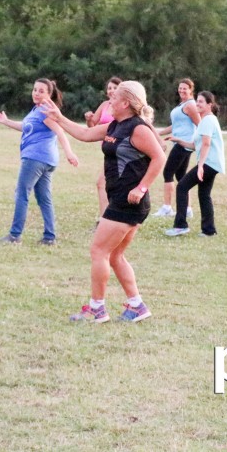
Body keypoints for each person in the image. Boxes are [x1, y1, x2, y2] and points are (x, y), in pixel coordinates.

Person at [41, 81, 166, 323]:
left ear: (126, 103)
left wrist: (141, 188)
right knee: (115, 255)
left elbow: (159, 157)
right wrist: (59, 117)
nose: (110, 100)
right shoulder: (115, 125)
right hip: (121, 199)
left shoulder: (137, 128)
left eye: (114, 97)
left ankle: (97, 309)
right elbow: (85, 134)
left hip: (128, 202)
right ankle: (137, 306)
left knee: (98, 251)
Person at [0, 78, 79, 245]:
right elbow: (25, 126)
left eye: (41, 91)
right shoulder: (37, 109)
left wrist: (69, 153)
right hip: (46, 160)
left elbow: (60, 132)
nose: (36, 93)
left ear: (49, 94)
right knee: (44, 198)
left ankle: (14, 235)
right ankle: (49, 237)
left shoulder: (45, 111)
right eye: (35, 90)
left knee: (21, 194)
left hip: (35, 158)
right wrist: (5, 121)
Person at [163, 91, 225, 237]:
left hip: (208, 163)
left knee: (182, 187)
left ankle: (180, 226)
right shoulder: (207, 120)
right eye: (197, 101)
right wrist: (179, 140)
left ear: (210, 105)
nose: (197, 104)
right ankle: (209, 230)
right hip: (212, 163)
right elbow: (195, 145)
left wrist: (201, 166)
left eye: (201, 102)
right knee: (204, 195)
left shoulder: (208, 120)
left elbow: (206, 144)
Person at [154, 78, 201, 218]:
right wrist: (158, 133)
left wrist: (197, 143)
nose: (181, 90)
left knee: (168, 173)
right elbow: (175, 126)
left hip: (183, 144)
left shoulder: (190, 105)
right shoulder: (183, 105)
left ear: (191, 90)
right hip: (179, 143)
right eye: (180, 88)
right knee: (181, 176)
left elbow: (200, 124)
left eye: (185, 88)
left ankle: (167, 207)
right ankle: (187, 209)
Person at [84, 76, 122, 224]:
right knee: (107, 184)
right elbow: (92, 126)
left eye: (115, 88)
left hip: (119, 150)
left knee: (102, 183)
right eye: (109, 88)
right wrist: (89, 118)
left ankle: (105, 219)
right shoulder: (105, 105)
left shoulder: (122, 106)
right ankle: (108, 218)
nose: (111, 90)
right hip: (108, 152)